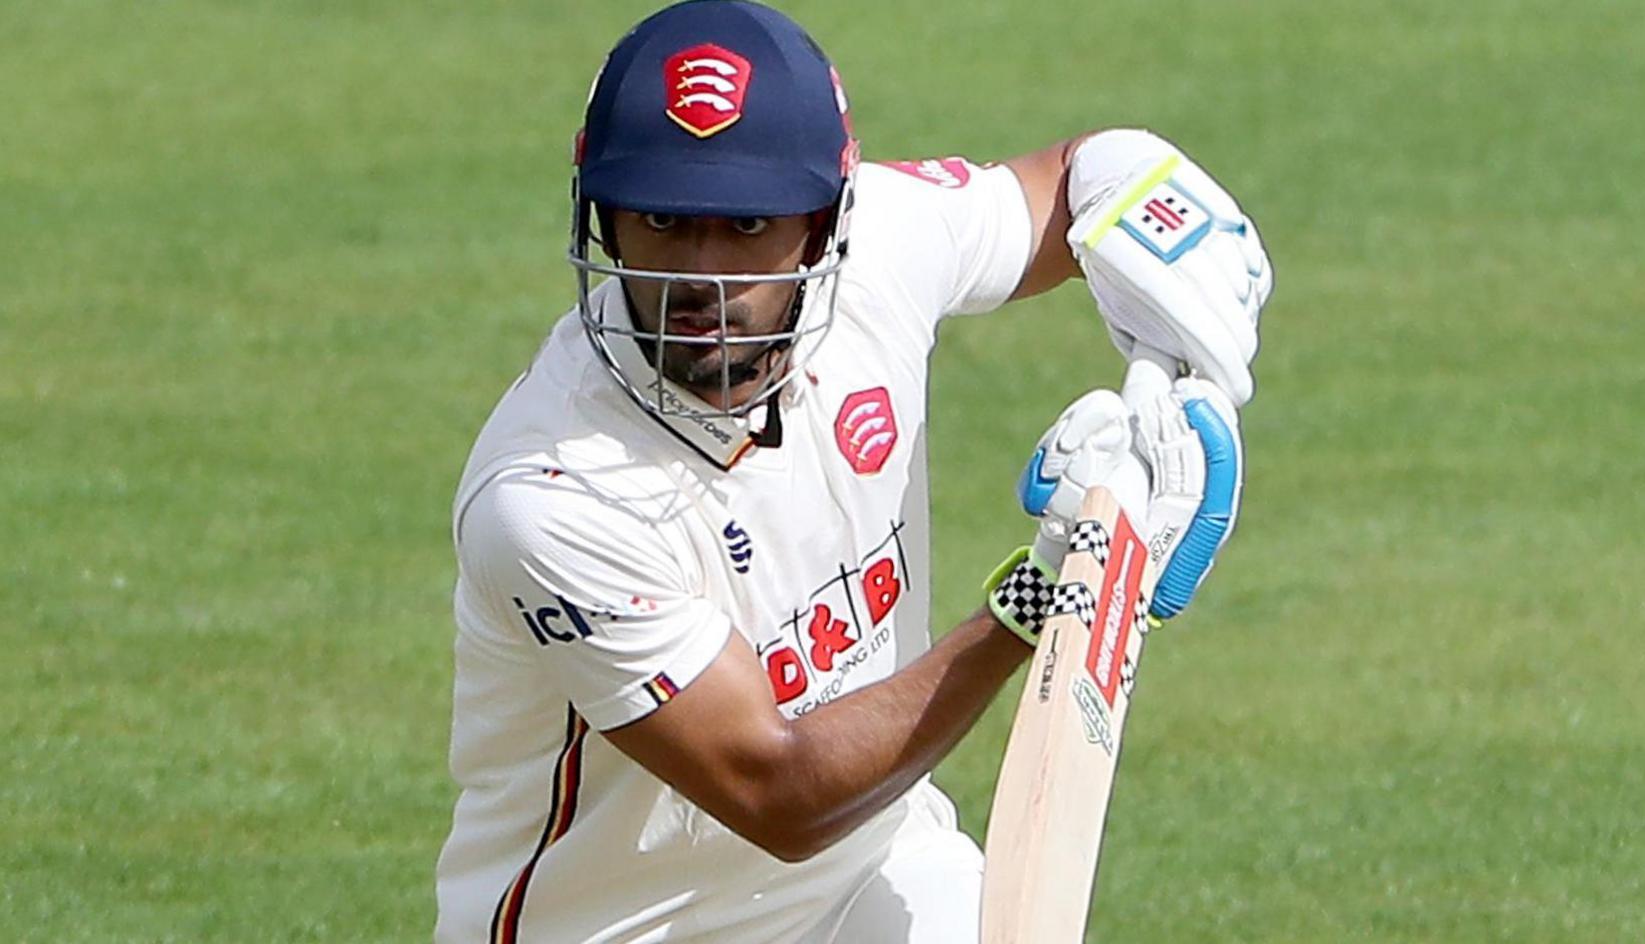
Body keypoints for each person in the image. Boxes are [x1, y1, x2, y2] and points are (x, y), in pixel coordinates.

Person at [433, 2, 1272, 942]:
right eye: (664, 220)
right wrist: (1044, 594)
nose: (703, 279)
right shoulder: (547, 499)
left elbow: (1062, 188)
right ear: (605, 219)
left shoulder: (881, 251)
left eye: (747, 223)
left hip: (873, 869)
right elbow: (776, 789)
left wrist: (1140, 199)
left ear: (826, 220)